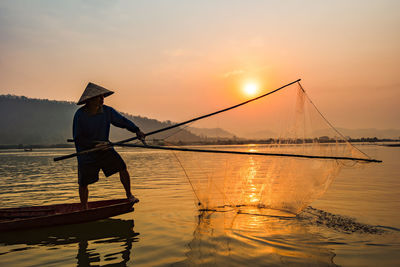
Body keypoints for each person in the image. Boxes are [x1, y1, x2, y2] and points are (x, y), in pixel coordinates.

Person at [73, 82, 145, 209]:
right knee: (83, 182)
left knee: (122, 167)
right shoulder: (80, 115)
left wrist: (136, 130)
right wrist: (92, 146)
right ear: (89, 100)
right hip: (86, 152)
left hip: (105, 148)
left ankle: (129, 195)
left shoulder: (107, 111)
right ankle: (84, 207)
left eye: (103, 97)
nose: (102, 99)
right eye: (99, 97)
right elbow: (78, 138)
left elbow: (122, 121)